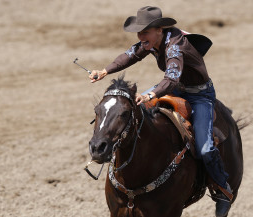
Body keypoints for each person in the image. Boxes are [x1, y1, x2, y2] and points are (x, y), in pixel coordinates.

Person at [89, 6, 232, 217]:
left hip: (199, 95)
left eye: (145, 31)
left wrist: (150, 95)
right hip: (174, 87)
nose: (140, 36)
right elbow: (130, 55)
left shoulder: (175, 47)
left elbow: (171, 78)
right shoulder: (152, 41)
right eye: (139, 31)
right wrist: (105, 71)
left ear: (160, 30)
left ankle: (222, 190)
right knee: (131, 110)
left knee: (205, 148)